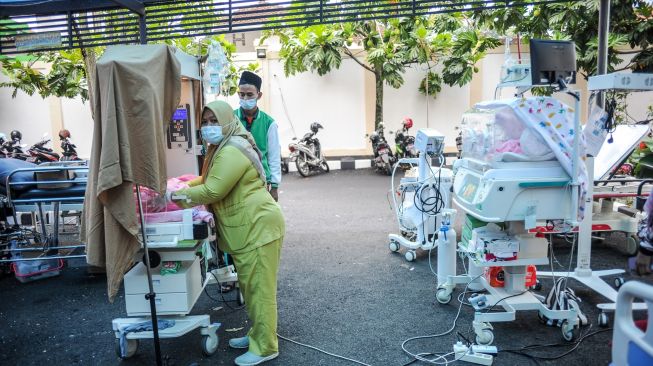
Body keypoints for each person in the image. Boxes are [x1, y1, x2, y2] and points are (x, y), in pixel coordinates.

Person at [171, 100, 285, 366]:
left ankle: (266, 346)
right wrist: (186, 183)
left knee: (259, 291)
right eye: (206, 122)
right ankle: (258, 333)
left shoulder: (230, 150)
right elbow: (210, 179)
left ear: (227, 121)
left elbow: (213, 191)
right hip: (250, 227)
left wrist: (174, 195)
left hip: (258, 226)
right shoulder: (222, 147)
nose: (209, 127)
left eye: (215, 121)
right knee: (250, 286)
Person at [235, 71, 281, 201]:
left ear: (259, 95)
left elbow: (274, 155)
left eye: (249, 95)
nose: (245, 98)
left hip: (261, 180)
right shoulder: (231, 118)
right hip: (235, 178)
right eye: (241, 94)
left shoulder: (269, 123)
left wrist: (275, 186)